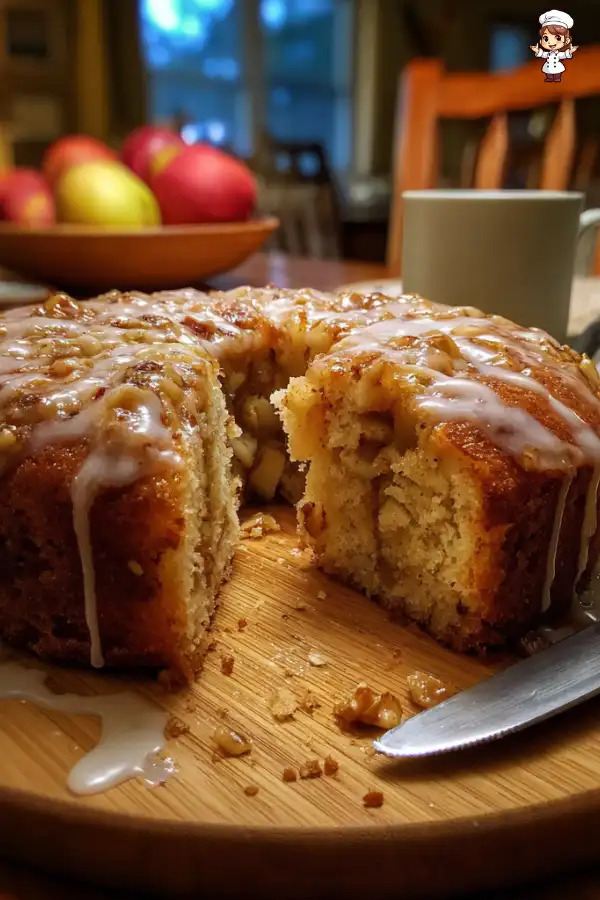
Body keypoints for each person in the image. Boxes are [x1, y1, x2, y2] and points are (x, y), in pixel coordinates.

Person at [530, 9, 578, 82]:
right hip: (548, 67)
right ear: (541, 41)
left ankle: (557, 78)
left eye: (558, 38)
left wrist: (570, 52)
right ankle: (549, 77)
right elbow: (543, 54)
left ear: (567, 41)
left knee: (557, 73)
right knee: (548, 72)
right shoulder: (548, 53)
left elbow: (564, 55)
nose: (551, 42)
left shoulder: (559, 54)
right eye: (546, 38)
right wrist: (537, 51)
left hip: (556, 67)